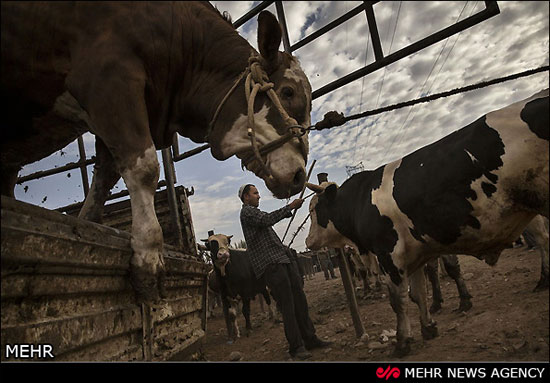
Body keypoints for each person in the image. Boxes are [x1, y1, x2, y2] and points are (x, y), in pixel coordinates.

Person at [238, 184, 332, 360]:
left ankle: (310, 339)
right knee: (288, 305)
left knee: (299, 300)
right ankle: (296, 347)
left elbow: (268, 231)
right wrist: (290, 207)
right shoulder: (247, 213)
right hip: (271, 265)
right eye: (255, 193)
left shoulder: (254, 214)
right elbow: (267, 219)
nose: (259, 196)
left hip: (281, 261)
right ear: (245, 197)